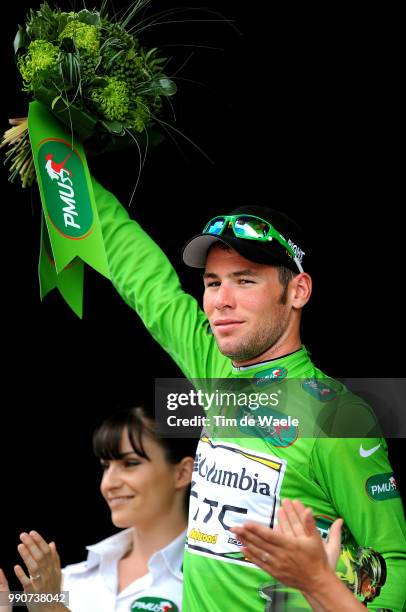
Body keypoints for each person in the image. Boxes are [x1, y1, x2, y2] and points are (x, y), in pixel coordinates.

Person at [84, 180, 406, 611]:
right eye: (213, 283)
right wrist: (67, 174)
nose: (222, 300)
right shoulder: (218, 371)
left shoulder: (338, 416)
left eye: (245, 280)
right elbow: (144, 279)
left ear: (298, 291)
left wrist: (321, 586)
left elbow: (393, 567)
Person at [0, 406, 196, 612]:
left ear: (182, 473)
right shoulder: (68, 580)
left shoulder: (216, 578)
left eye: (130, 463)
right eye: (105, 466)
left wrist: (53, 608)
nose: (108, 483)